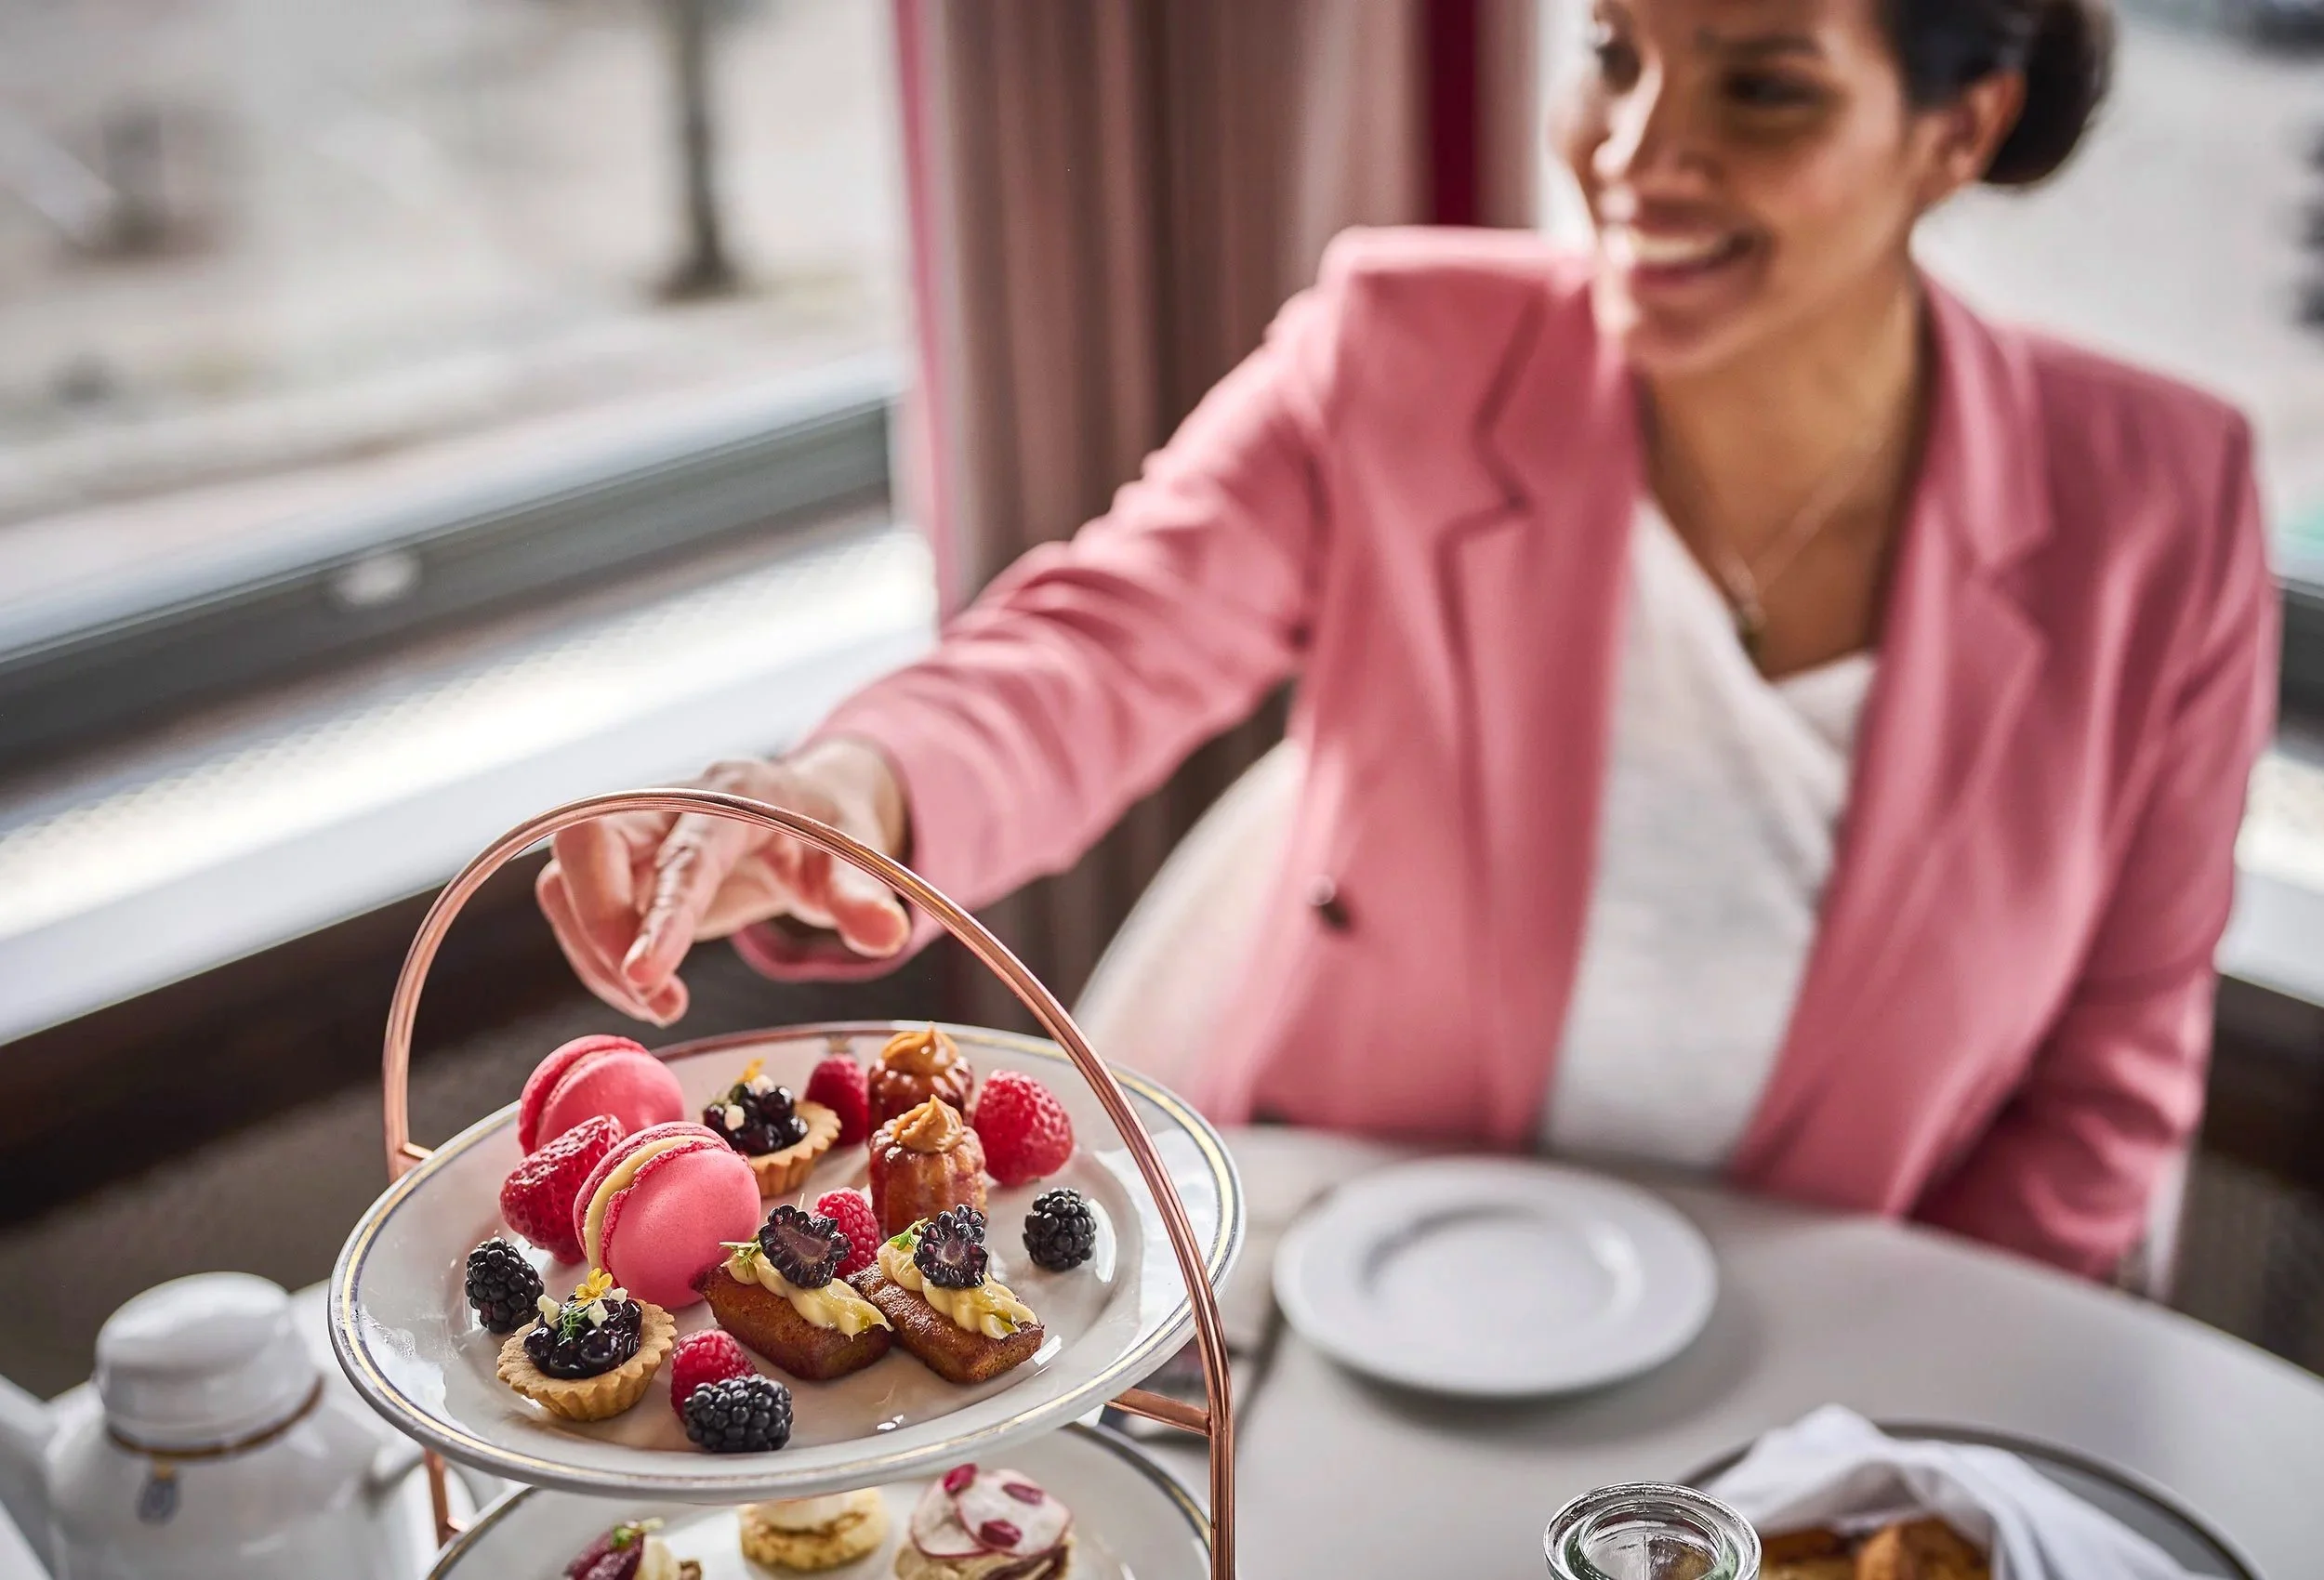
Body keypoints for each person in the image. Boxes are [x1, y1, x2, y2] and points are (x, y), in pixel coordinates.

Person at [537, 0, 2278, 1279]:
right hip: (1349, 1265)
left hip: (1837, 1330)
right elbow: (1102, 637)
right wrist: (855, 788)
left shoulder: (2164, 507)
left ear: (1957, 131)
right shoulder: (1400, 344)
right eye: (1613, 52)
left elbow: (2108, 1089)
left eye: (1759, 86)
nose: (1636, 151)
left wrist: (1880, 1437)